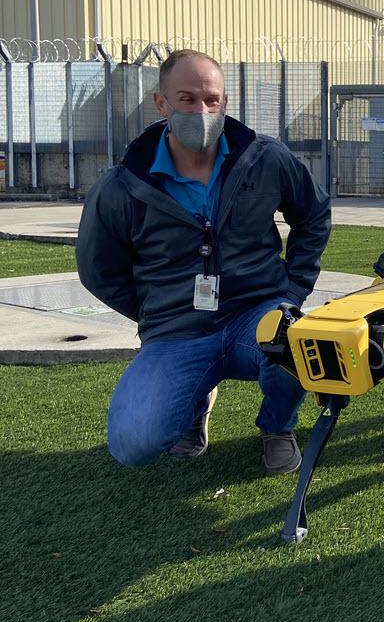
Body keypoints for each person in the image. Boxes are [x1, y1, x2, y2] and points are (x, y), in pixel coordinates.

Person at [77, 49, 330, 474]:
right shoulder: (123, 184)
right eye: (188, 99)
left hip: (257, 309)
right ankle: (194, 406)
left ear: (225, 102)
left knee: (293, 338)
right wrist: (153, 310)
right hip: (178, 328)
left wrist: (293, 290)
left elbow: (314, 213)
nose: (202, 110)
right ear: (161, 103)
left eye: (212, 100)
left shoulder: (264, 158)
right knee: (132, 442)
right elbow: (98, 267)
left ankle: (277, 426)